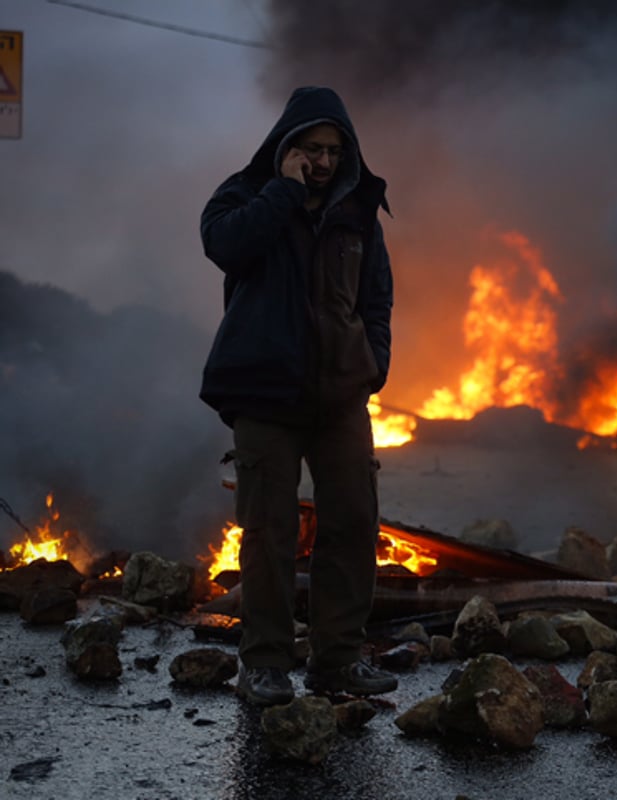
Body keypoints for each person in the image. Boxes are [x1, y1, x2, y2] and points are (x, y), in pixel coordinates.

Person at [200, 86, 398, 705]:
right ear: (287, 146)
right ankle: (265, 664)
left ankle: (338, 660)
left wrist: (373, 367)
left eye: (334, 151)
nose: (323, 161)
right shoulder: (244, 195)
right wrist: (281, 191)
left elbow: (377, 299)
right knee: (267, 531)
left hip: (340, 397)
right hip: (264, 395)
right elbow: (224, 246)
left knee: (354, 522)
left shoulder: (358, 209)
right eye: (311, 148)